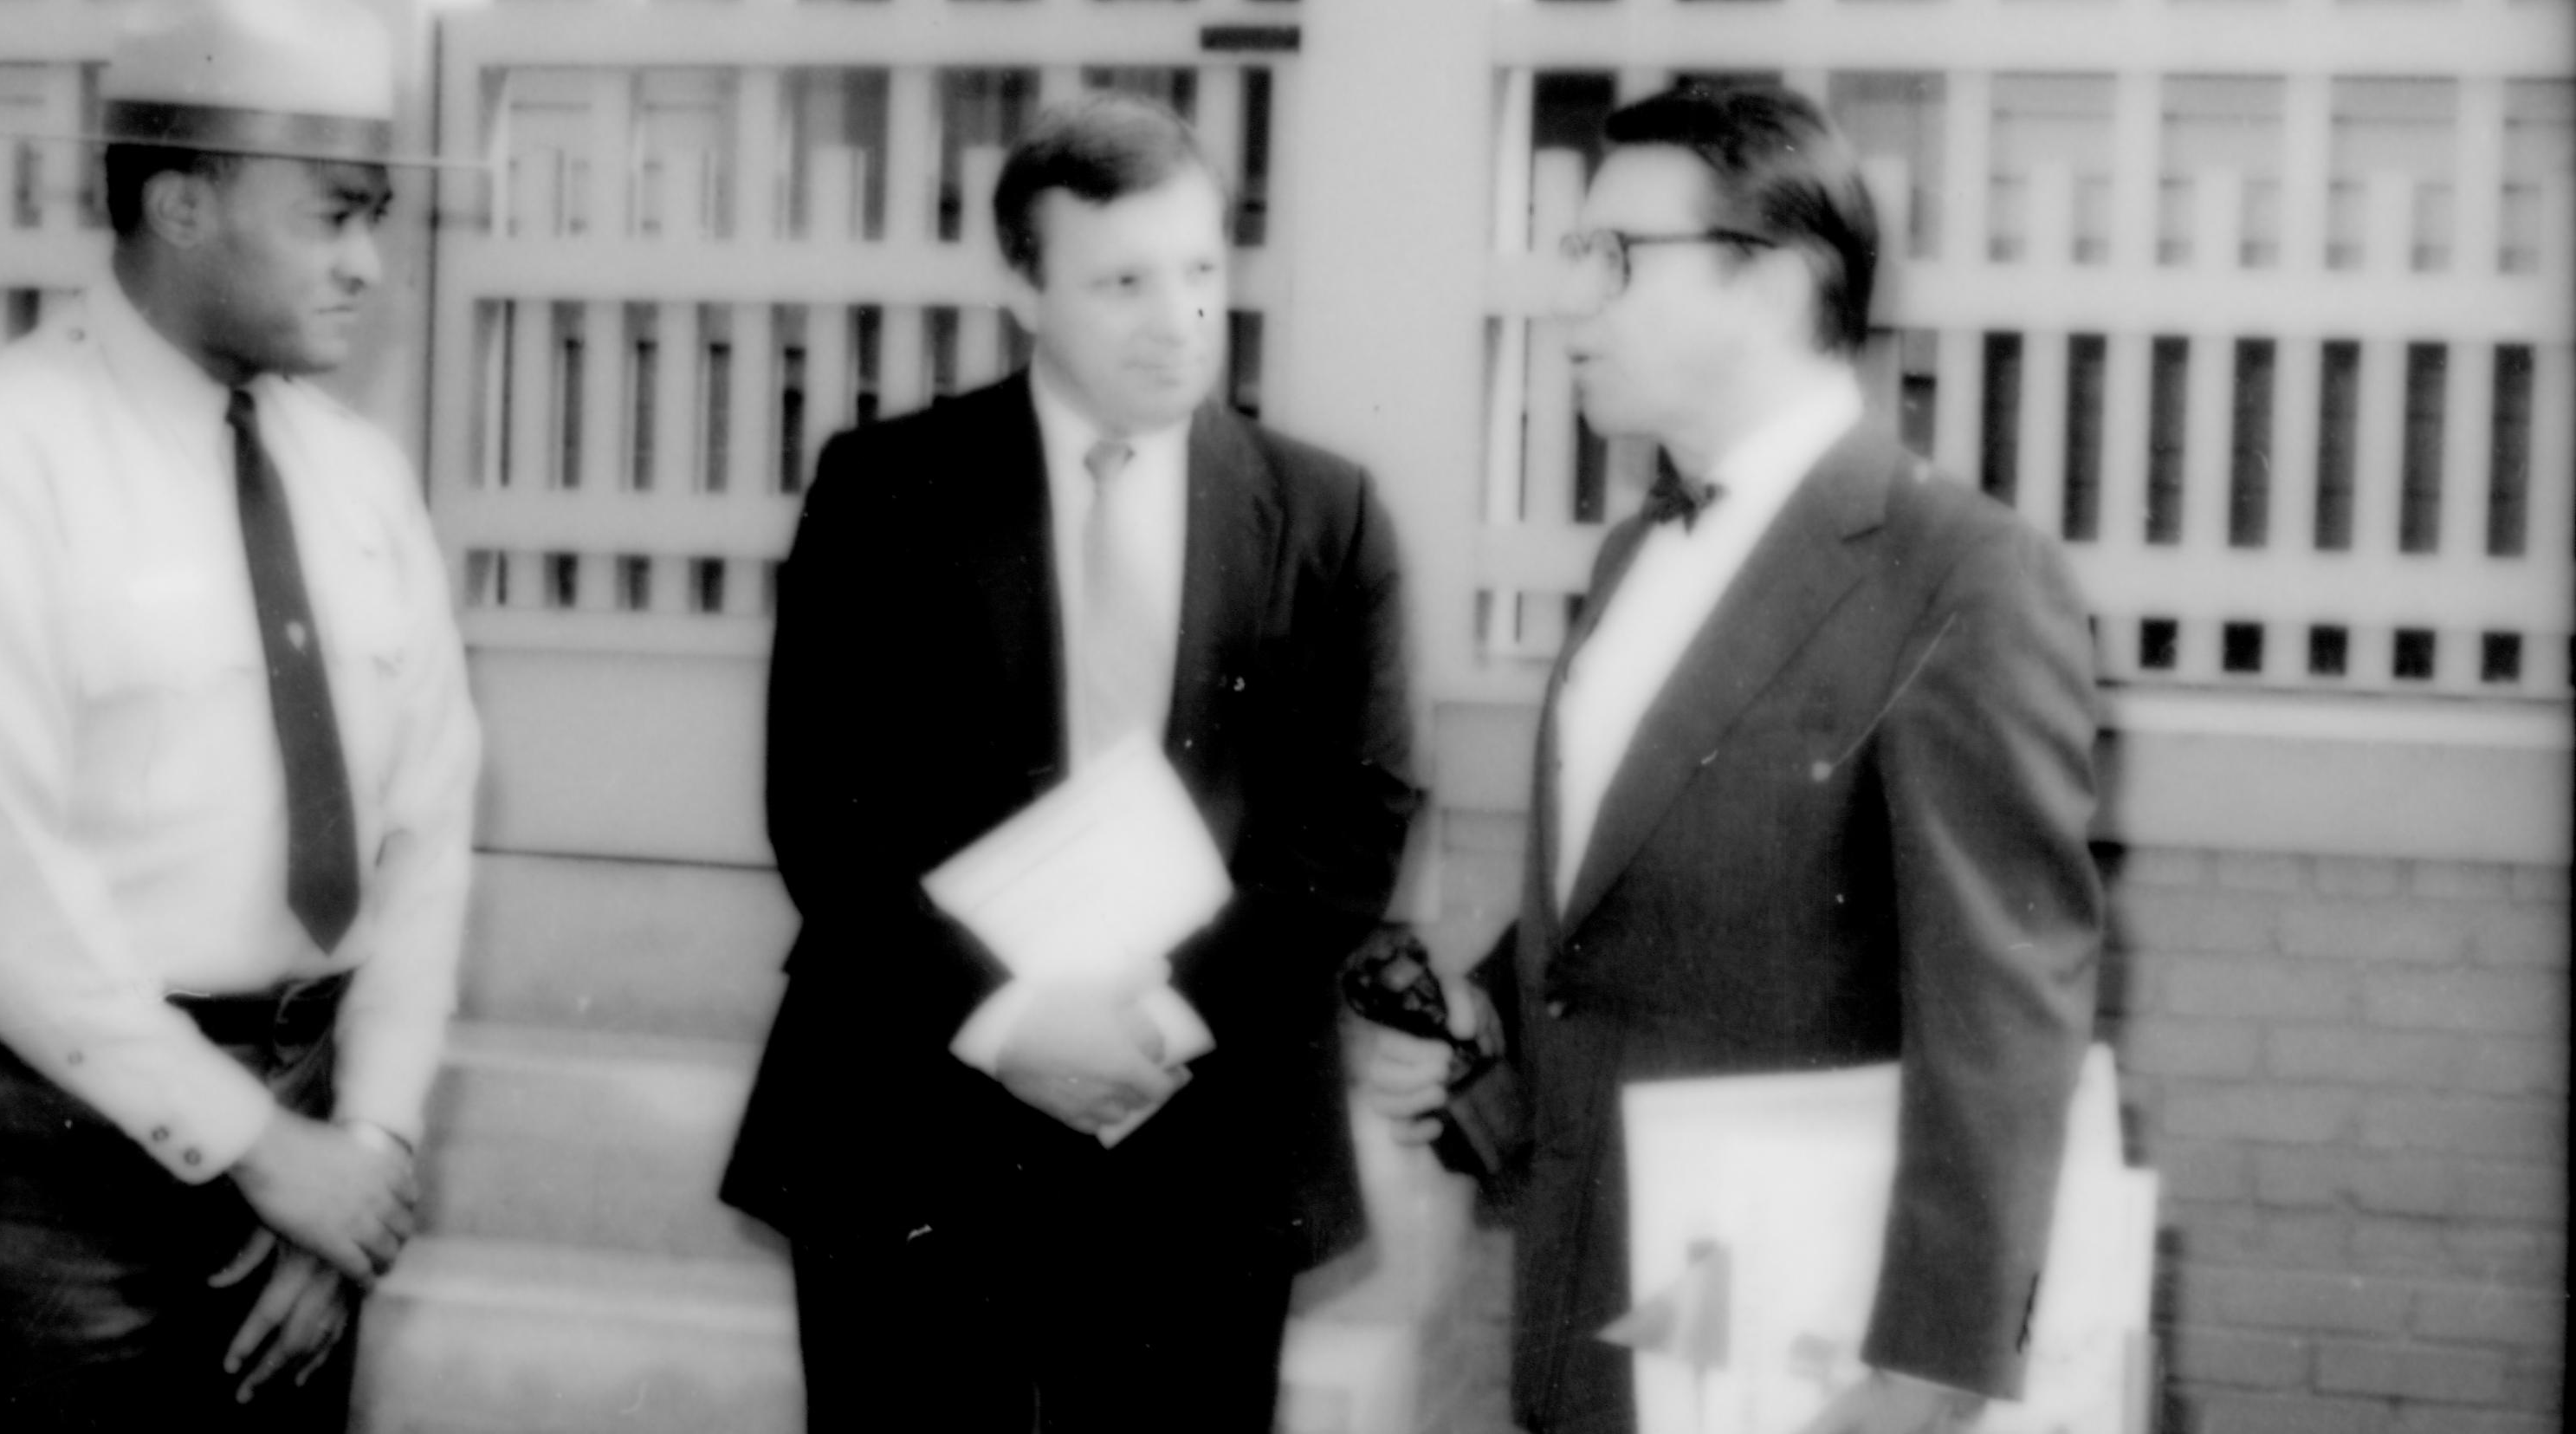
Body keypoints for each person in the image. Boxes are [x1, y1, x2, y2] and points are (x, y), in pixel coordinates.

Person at [1363, 83, 2103, 1434]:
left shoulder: (1963, 580)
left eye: (1614, 258)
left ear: (1769, 281)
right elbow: (1639, 888)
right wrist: (1475, 1017)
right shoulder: (1633, 553)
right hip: (1594, 1311)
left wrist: (1926, 1378)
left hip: (1799, 1356)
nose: (1567, 298)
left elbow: (2000, 1023)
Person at [0, 0, 483, 1431]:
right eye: (333, 210)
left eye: (375, 214)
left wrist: (357, 1149)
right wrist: (268, 1152)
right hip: (40, 1155)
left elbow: (426, 841)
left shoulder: (360, 481)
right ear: (182, 203)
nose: (370, 262)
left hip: (299, 1136)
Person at [718, 90, 1421, 1433]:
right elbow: (824, 809)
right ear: (1025, 288)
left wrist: (1153, 1025)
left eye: (1203, 270)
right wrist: (1006, 1026)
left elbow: (1350, 827)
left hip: (1201, 1125)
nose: (1177, 319)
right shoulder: (885, 488)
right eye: (1121, 282)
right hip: (913, 1111)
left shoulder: (1324, 514)